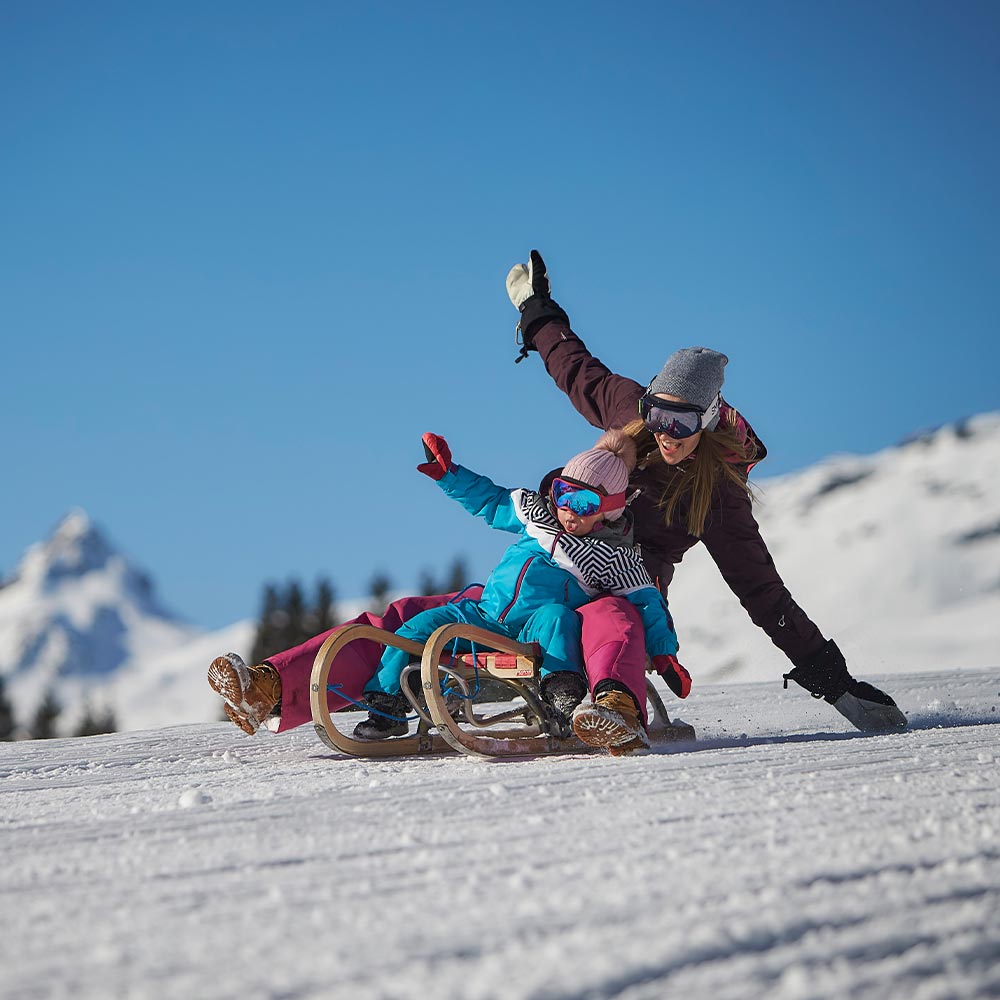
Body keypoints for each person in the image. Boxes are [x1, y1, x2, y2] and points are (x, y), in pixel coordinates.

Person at [503, 249, 908, 735]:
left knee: (612, 617)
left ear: (709, 420)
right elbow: (573, 367)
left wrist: (836, 683)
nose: (665, 432)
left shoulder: (716, 494)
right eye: (658, 415)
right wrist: (536, 308)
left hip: (633, 580)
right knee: (523, 595)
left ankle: (609, 701)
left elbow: (762, 592)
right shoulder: (627, 411)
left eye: (682, 422)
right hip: (567, 547)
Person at [348, 429, 686, 751]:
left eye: (584, 504)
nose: (568, 511)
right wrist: (449, 474)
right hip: (485, 614)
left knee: (559, 618)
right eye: (564, 495)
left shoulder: (613, 556)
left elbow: (646, 601)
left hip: (533, 629)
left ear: (609, 509)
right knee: (417, 627)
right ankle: (387, 708)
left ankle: (562, 698)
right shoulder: (536, 513)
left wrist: (664, 653)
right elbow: (491, 501)